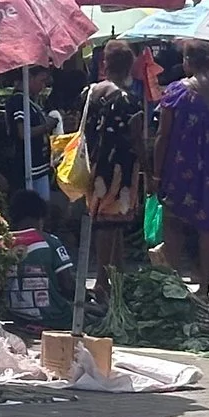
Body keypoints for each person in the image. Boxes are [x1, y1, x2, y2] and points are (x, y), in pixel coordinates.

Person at [152, 41, 209, 300]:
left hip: (180, 167)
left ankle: (174, 284)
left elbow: (162, 136)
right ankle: (204, 287)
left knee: (174, 222)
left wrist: (156, 174)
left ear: (186, 62)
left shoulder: (175, 93)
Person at [77, 40, 146, 300]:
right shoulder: (129, 100)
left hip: (94, 166)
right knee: (110, 225)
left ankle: (115, 275)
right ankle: (104, 281)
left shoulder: (89, 93)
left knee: (106, 223)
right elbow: (137, 139)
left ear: (104, 64)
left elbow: (81, 127)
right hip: (121, 169)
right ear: (129, 66)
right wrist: (148, 171)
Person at [2, 189, 78, 335]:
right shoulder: (51, 242)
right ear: (41, 217)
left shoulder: (3, 243)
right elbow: (68, 286)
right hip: (53, 319)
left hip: (15, 317)